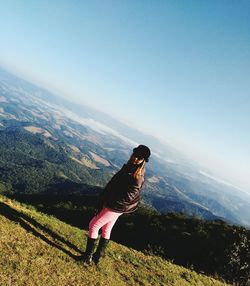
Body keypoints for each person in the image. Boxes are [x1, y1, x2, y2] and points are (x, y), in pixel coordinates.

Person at [79, 144, 151, 264]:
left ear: (143, 160)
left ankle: (87, 257)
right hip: (117, 206)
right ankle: (96, 257)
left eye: (139, 157)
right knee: (106, 229)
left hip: (116, 206)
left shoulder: (137, 176)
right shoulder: (130, 167)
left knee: (93, 225)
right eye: (135, 155)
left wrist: (109, 203)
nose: (136, 158)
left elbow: (129, 196)